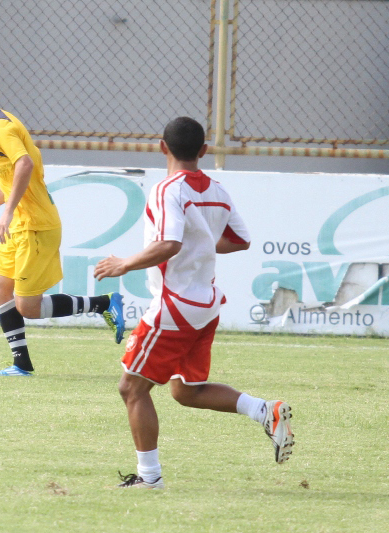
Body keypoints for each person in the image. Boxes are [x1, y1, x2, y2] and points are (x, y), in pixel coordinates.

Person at [94, 117, 294, 489]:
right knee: (186, 390)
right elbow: (241, 239)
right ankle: (264, 410)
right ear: (203, 151)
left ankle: (149, 479)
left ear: (161, 147)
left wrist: (124, 262)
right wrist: (201, 244)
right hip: (206, 304)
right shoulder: (217, 189)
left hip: (174, 305)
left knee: (131, 388)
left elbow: (168, 244)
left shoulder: (166, 189)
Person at [0, 66, 125, 376]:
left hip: (35, 225)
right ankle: (22, 364)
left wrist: (6, 212)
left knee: (28, 307)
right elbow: (10, 178)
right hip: (20, 224)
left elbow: (25, 165)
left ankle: (103, 303)